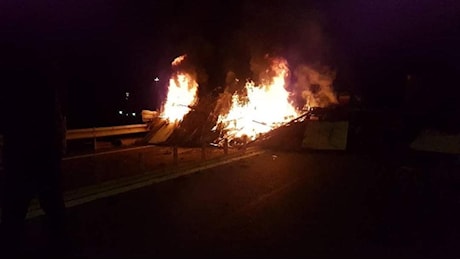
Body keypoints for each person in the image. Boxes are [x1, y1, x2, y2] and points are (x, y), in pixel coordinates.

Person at [0, 44, 67, 256]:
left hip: (23, 156)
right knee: (51, 209)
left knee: (15, 212)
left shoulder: (15, 88)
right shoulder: (46, 87)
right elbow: (57, 123)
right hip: (40, 156)